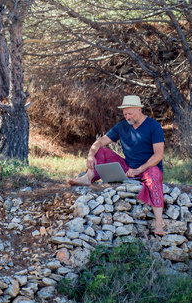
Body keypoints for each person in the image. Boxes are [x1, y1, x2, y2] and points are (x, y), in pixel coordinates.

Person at [68, 94, 165, 235]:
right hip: (128, 167)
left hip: (148, 167)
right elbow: (100, 141)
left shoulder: (153, 126)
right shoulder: (122, 126)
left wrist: (139, 170)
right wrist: (90, 154)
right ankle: (87, 177)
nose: (128, 117)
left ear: (139, 109)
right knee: (101, 151)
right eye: (125, 114)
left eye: (130, 113)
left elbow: (158, 155)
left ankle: (158, 223)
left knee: (154, 176)